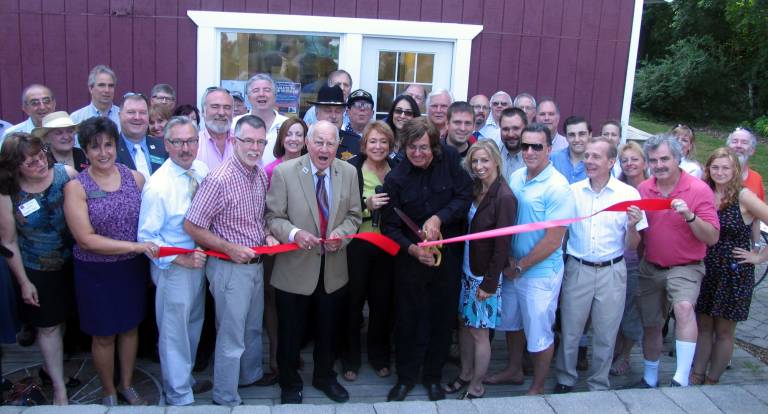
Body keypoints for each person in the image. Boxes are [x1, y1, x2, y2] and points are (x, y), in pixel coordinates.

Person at [266, 120, 362, 404]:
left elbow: (354, 216)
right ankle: (289, 383)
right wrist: (295, 234)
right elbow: (274, 218)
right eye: (318, 142)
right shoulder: (284, 172)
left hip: (333, 268)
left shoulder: (348, 172)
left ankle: (324, 377)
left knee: (328, 330)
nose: (324, 148)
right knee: (291, 332)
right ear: (307, 143)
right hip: (295, 266)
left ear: (337, 146)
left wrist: (341, 235)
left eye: (330, 143)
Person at [184, 115, 277, 407]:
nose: (254, 147)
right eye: (248, 140)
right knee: (231, 334)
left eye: (260, 141)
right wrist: (228, 247)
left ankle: (249, 375)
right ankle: (225, 395)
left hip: (255, 265)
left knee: (251, 328)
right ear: (235, 141)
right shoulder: (218, 179)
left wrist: (267, 235)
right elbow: (192, 225)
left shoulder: (259, 173)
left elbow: (257, 219)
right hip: (229, 267)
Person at [63, 117, 156, 406]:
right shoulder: (77, 187)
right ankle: (108, 391)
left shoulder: (135, 177)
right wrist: (134, 246)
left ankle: (127, 384)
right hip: (96, 271)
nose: (103, 152)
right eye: (95, 147)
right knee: (103, 335)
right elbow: (85, 239)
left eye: (108, 145)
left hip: (131, 269)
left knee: (129, 328)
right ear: (85, 151)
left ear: (117, 146)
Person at [381, 117, 472, 402]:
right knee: (407, 319)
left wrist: (439, 218)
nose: (418, 153)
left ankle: (433, 376)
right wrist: (412, 249)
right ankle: (406, 378)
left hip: (447, 259)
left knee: (442, 319)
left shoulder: (451, 161)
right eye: (412, 147)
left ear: (434, 146)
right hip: (410, 261)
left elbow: (464, 196)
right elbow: (389, 226)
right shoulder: (394, 178)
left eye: (423, 147)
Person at [553, 137, 647, 393]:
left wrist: (631, 227)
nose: (589, 161)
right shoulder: (573, 192)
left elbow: (632, 244)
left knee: (606, 333)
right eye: (587, 156)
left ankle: (598, 383)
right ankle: (565, 378)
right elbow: (561, 234)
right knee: (571, 330)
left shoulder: (629, 194)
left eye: (596, 157)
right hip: (578, 268)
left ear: (611, 161)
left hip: (612, 271)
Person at [137, 116, 212, 405]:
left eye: (191, 141)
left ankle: (186, 378)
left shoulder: (201, 170)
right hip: (175, 268)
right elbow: (148, 238)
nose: (185, 147)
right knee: (173, 332)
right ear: (166, 144)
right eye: (178, 142)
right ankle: (178, 394)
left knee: (193, 323)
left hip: (200, 263)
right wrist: (181, 259)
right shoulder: (158, 187)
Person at [0, 133, 78, 405]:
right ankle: (59, 389)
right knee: (48, 327)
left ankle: (48, 370)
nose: (39, 164)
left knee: (63, 320)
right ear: (14, 166)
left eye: (41, 156)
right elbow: (8, 241)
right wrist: (23, 282)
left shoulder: (65, 174)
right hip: (38, 270)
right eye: (30, 162)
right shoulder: (8, 193)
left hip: (74, 262)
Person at [637, 133, 719, 388]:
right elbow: (640, 231)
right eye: (653, 160)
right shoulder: (644, 188)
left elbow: (713, 237)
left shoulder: (698, 189)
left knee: (684, 309)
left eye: (665, 159)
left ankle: (681, 378)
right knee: (651, 324)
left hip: (686, 266)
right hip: (650, 266)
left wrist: (690, 216)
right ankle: (650, 377)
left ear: (677, 158)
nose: (659, 165)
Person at [498, 123, 575, 395]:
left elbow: (554, 239)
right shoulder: (517, 176)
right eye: (525, 145)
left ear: (550, 150)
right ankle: (514, 369)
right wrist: (509, 260)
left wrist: (520, 266)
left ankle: (538, 386)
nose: (529, 151)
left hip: (539, 272)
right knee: (512, 322)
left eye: (537, 146)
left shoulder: (558, 187)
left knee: (539, 330)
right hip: (513, 267)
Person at [691, 148, 768, 385]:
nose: (720, 172)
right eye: (715, 167)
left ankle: (713, 379)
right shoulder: (704, 192)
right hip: (706, 268)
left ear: (735, 169)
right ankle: (696, 374)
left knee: (724, 331)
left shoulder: (743, 196)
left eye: (726, 167)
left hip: (734, 272)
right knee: (703, 327)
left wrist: (760, 257)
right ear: (708, 169)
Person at [446, 140, 516, 400]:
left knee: (479, 332)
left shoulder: (504, 197)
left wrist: (489, 283)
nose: (479, 166)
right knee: (465, 325)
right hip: (467, 269)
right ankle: (465, 373)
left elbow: (502, 245)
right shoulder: (476, 189)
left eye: (485, 160)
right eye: (475, 161)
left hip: (484, 277)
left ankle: (477, 385)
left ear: (496, 160)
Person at [341, 121, 398, 382]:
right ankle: (350, 357)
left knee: (382, 304)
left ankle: (379, 355)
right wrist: (367, 204)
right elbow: (343, 210)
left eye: (383, 141)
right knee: (353, 303)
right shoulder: (353, 170)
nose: (378, 146)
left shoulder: (397, 170)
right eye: (373, 141)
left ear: (390, 145)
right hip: (359, 246)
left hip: (389, 247)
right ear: (364, 145)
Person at [610, 142, 648, 377]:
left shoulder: (652, 188)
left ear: (644, 162)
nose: (630, 164)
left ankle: (625, 355)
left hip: (640, 260)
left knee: (631, 313)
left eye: (635, 159)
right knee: (614, 312)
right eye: (625, 160)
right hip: (617, 257)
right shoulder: (618, 187)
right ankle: (614, 352)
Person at [233, 74, 288, 166]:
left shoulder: (286, 125)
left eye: (267, 90)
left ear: (275, 96)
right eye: (256, 90)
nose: (261, 94)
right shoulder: (235, 123)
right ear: (248, 97)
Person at [116, 93, 168, 178]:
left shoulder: (163, 148)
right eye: (131, 112)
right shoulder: (110, 149)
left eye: (142, 112)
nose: (137, 117)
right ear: (119, 115)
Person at [309, 85, 360, 160]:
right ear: (317, 113)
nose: (333, 116)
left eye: (338, 111)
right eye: (328, 111)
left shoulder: (356, 144)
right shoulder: (305, 141)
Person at [196, 87, 235, 171]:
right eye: (215, 107)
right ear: (203, 112)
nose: (221, 112)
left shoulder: (243, 141)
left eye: (227, 107)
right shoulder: (193, 144)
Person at [70, 65, 121, 130]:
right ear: (91, 88)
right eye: (101, 85)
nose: (107, 90)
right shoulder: (76, 118)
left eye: (111, 86)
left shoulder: (124, 117)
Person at [550, 115, 590, 184]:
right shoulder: (553, 158)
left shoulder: (598, 162)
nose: (577, 139)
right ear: (566, 137)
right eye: (572, 135)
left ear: (590, 135)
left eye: (582, 134)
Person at [385, 94, 420, 160]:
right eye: (398, 111)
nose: (402, 116)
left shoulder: (419, 143)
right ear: (392, 113)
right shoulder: (383, 137)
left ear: (414, 116)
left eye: (408, 113)